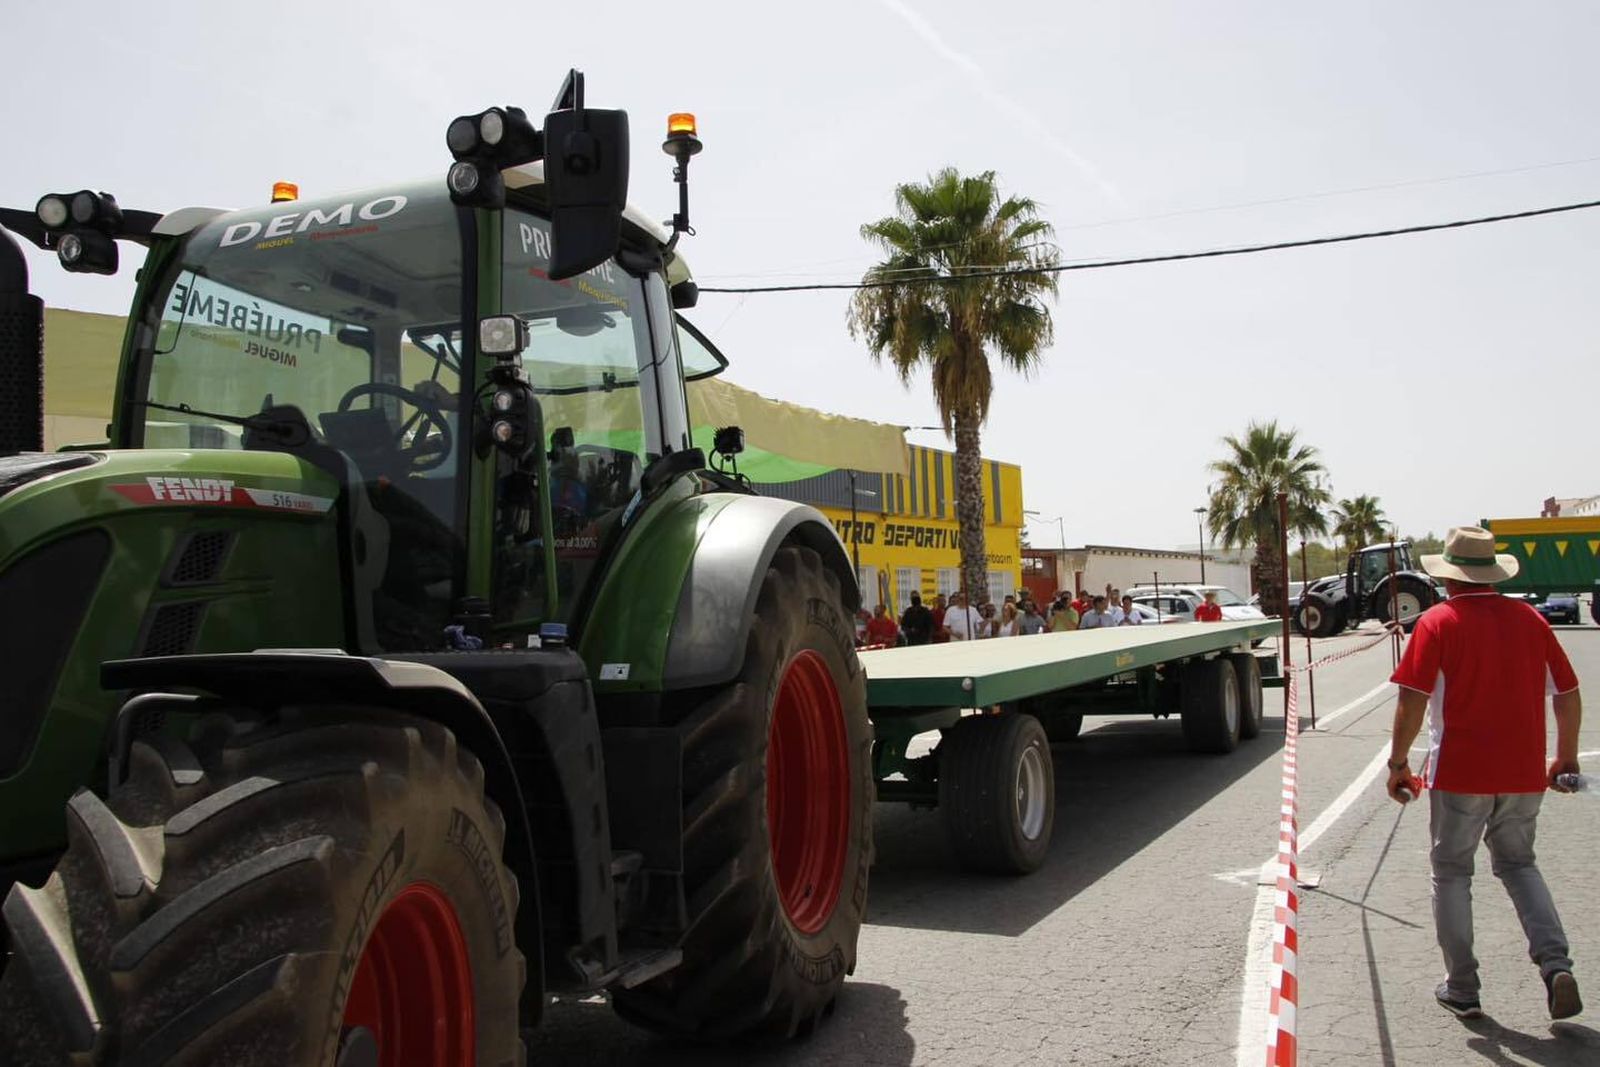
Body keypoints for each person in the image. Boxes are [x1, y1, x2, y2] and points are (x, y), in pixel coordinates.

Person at [1385, 526, 1584, 1021]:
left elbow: (1412, 699)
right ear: (1491, 574)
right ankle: (1556, 965)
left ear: (1449, 578)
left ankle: (1463, 986)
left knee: (1451, 872)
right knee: (1520, 866)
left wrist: (1398, 763)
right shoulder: (1530, 620)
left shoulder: (1436, 622)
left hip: (1460, 771)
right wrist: (1566, 756)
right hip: (1522, 773)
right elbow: (1567, 693)